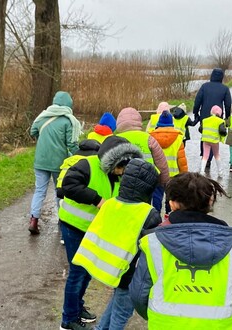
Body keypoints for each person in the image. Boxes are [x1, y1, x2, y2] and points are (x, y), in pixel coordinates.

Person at [129, 172, 232, 330]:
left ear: (172, 204)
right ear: (210, 201)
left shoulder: (153, 245)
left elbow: (138, 295)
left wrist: (156, 317)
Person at [58, 136, 143, 330]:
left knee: (87, 272)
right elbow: (68, 187)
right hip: (74, 226)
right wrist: (97, 200)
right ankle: (68, 319)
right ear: (113, 163)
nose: (123, 173)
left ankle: (77, 308)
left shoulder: (120, 176)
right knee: (78, 272)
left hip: (93, 230)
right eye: (121, 168)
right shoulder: (87, 165)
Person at [72, 158, 161, 330]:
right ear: (149, 187)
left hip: (110, 269)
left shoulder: (111, 203)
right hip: (128, 274)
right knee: (121, 314)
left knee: (115, 305)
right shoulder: (149, 214)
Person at [29, 91, 81, 235]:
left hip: (40, 160)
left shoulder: (42, 117)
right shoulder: (68, 121)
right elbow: (71, 144)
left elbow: (32, 132)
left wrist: (43, 139)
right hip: (59, 162)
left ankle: (34, 220)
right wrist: (80, 156)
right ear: (68, 104)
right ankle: (62, 220)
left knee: (39, 190)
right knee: (60, 191)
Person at [115, 107, 170, 189]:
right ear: (139, 121)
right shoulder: (148, 138)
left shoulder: (115, 140)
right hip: (147, 180)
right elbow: (161, 162)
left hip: (123, 181)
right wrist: (164, 182)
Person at [149, 111, 188, 214]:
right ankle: (169, 214)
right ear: (171, 123)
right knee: (170, 196)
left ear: (159, 123)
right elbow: (181, 159)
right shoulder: (178, 138)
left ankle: (156, 214)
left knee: (157, 195)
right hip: (173, 174)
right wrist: (184, 175)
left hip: (157, 173)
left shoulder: (151, 137)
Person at [192, 68, 232, 168]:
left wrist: (196, 113)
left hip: (204, 115)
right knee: (214, 136)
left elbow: (197, 101)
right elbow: (228, 105)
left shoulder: (204, 87)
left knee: (204, 136)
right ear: (221, 77)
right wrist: (227, 118)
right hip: (217, 118)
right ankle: (209, 158)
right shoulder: (225, 89)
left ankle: (204, 155)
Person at [199, 105, 227, 176]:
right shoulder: (221, 121)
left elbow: (200, 129)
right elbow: (222, 131)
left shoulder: (205, 120)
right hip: (215, 141)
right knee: (216, 155)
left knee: (205, 155)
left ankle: (202, 171)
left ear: (211, 112)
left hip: (205, 140)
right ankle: (220, 172)